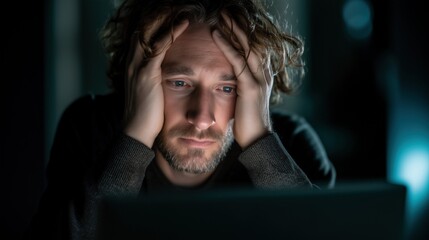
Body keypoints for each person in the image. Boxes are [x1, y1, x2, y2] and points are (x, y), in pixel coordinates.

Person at [26, 0, 335, 239]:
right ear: (139, 79)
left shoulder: (292, 144)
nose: (201, 117)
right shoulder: (89, 128)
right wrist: (132, 142)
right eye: (179, 83)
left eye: (226, 88)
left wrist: (261, 146)